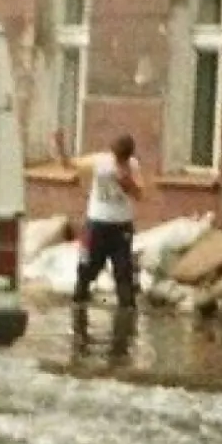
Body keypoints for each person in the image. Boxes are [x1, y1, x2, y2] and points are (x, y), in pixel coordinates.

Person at [54, 129, 144, 309]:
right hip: (97, 224)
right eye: (118, 157)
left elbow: (140, 194)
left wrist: (125, 181)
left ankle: (126, 312)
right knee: (87, 266)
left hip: (122, 227)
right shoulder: (100, 161)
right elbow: (68, 165)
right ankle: (79, 302)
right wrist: (60, 146)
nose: (120, 161)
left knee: (123, 270)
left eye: (123, 158)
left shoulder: (133, 166)